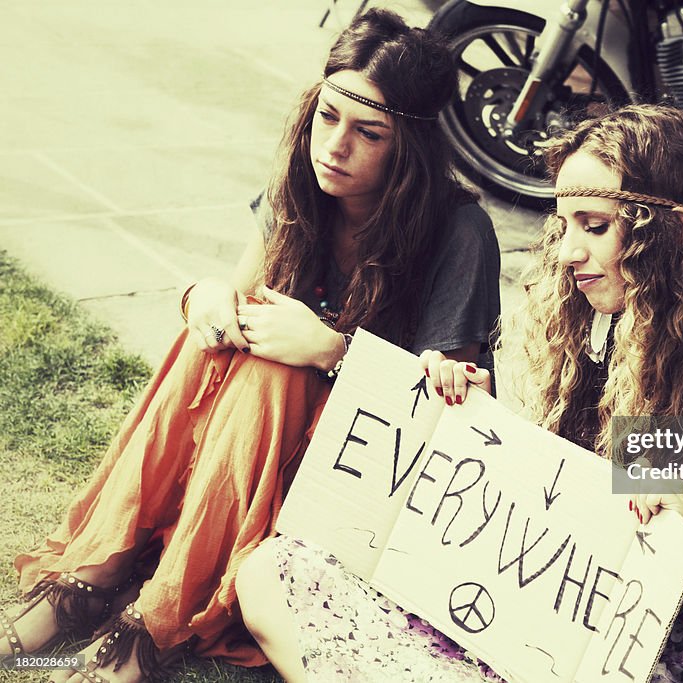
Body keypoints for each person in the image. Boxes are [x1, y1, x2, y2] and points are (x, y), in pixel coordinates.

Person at [238, 104, 683, 683]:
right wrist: (477, 419)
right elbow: (548, 500)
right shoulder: (580, 320)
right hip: (533, 615)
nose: (568, 251)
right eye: (563, 223)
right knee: (274, 573)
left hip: (658, 658)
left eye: (595, 226)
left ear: (673, 231)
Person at [0, 9, 500, 683]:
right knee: (219, 336)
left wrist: (334, 352)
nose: (336, 146)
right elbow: (233, 311)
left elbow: (453, 417)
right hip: (249, 450)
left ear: (406, 148)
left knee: (277, 372)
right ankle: (89, 579)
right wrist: (204, 298)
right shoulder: (303, 186)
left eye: (367, 133)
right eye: (327, 117)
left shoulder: (460, 230)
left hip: (359, 482)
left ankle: (151, 624)